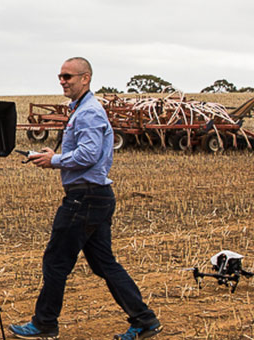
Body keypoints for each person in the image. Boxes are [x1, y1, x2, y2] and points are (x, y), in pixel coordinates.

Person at [12, 57, 162, 340]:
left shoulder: (89, 112)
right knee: (104, 263)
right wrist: (52, 155)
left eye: (68, 76)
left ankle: (45, 324)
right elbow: (84, 152)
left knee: (56, 261)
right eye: (60, 76)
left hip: (86, 198)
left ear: (86, 78)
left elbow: (89, 155)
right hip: (95, 197)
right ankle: (144, 320)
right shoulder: (82, 109)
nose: (62, 81)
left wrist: (54, 160)